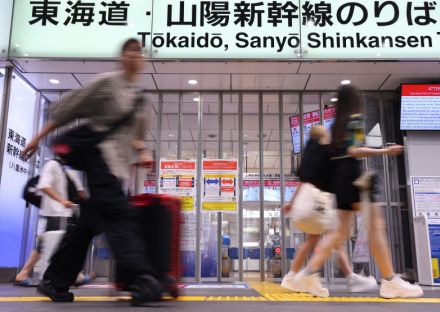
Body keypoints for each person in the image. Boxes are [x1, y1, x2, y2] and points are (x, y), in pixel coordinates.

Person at [22, 38, 161, 305]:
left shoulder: (142, 101)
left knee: (87, 226)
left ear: (143, 60)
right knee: (121, 218)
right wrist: (37, 138)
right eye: (128, 51)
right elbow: (67, 109)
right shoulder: (107, 84)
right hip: (100, 160)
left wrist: (142, 152)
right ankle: (142, 278)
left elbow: (135, 138)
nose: (133, 56)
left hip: (117, 170)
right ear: (121, 57)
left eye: (138, 52)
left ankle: (54, 280)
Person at [291, 85, 424, 298]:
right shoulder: (355, 119)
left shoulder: (335, 126)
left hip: (340, 180)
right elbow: (353, 150)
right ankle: (390, 280)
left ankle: (307, 273)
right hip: (354, 177)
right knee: (376, 226)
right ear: (355, 100)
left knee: (339, 233)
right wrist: (385, 151)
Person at [281, 125, 377, 293]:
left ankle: (291, 276)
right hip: (321, 205)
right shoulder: (325, 152)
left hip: (309, 206)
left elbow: (302, 182)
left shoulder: (308, 154)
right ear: (323, 136)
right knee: (336, 239)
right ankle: (345, 277)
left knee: (312, 240)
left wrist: (292, 202)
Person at [14, 158, 93, 287]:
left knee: (48, 244)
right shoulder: (56, 166)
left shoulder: (66, 170)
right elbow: (45, 186)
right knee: (62, 244)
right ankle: (74, 276)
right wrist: (63, 201)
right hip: (59, 213)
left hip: (59, 213)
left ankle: (24, 273)